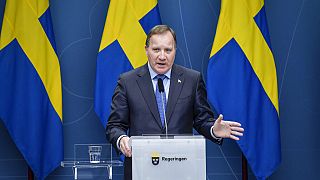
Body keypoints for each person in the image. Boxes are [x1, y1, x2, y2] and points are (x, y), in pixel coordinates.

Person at [106, 25, 244, 180]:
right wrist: (121, 139)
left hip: (182, 170)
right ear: (146, 50)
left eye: (168, 50)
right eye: (156, 50)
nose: (162, 56)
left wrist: (213, 129)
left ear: (175, 51)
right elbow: (114, 126)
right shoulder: (127, 82)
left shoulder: (192, 80)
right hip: (141, 169)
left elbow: (202, 119)